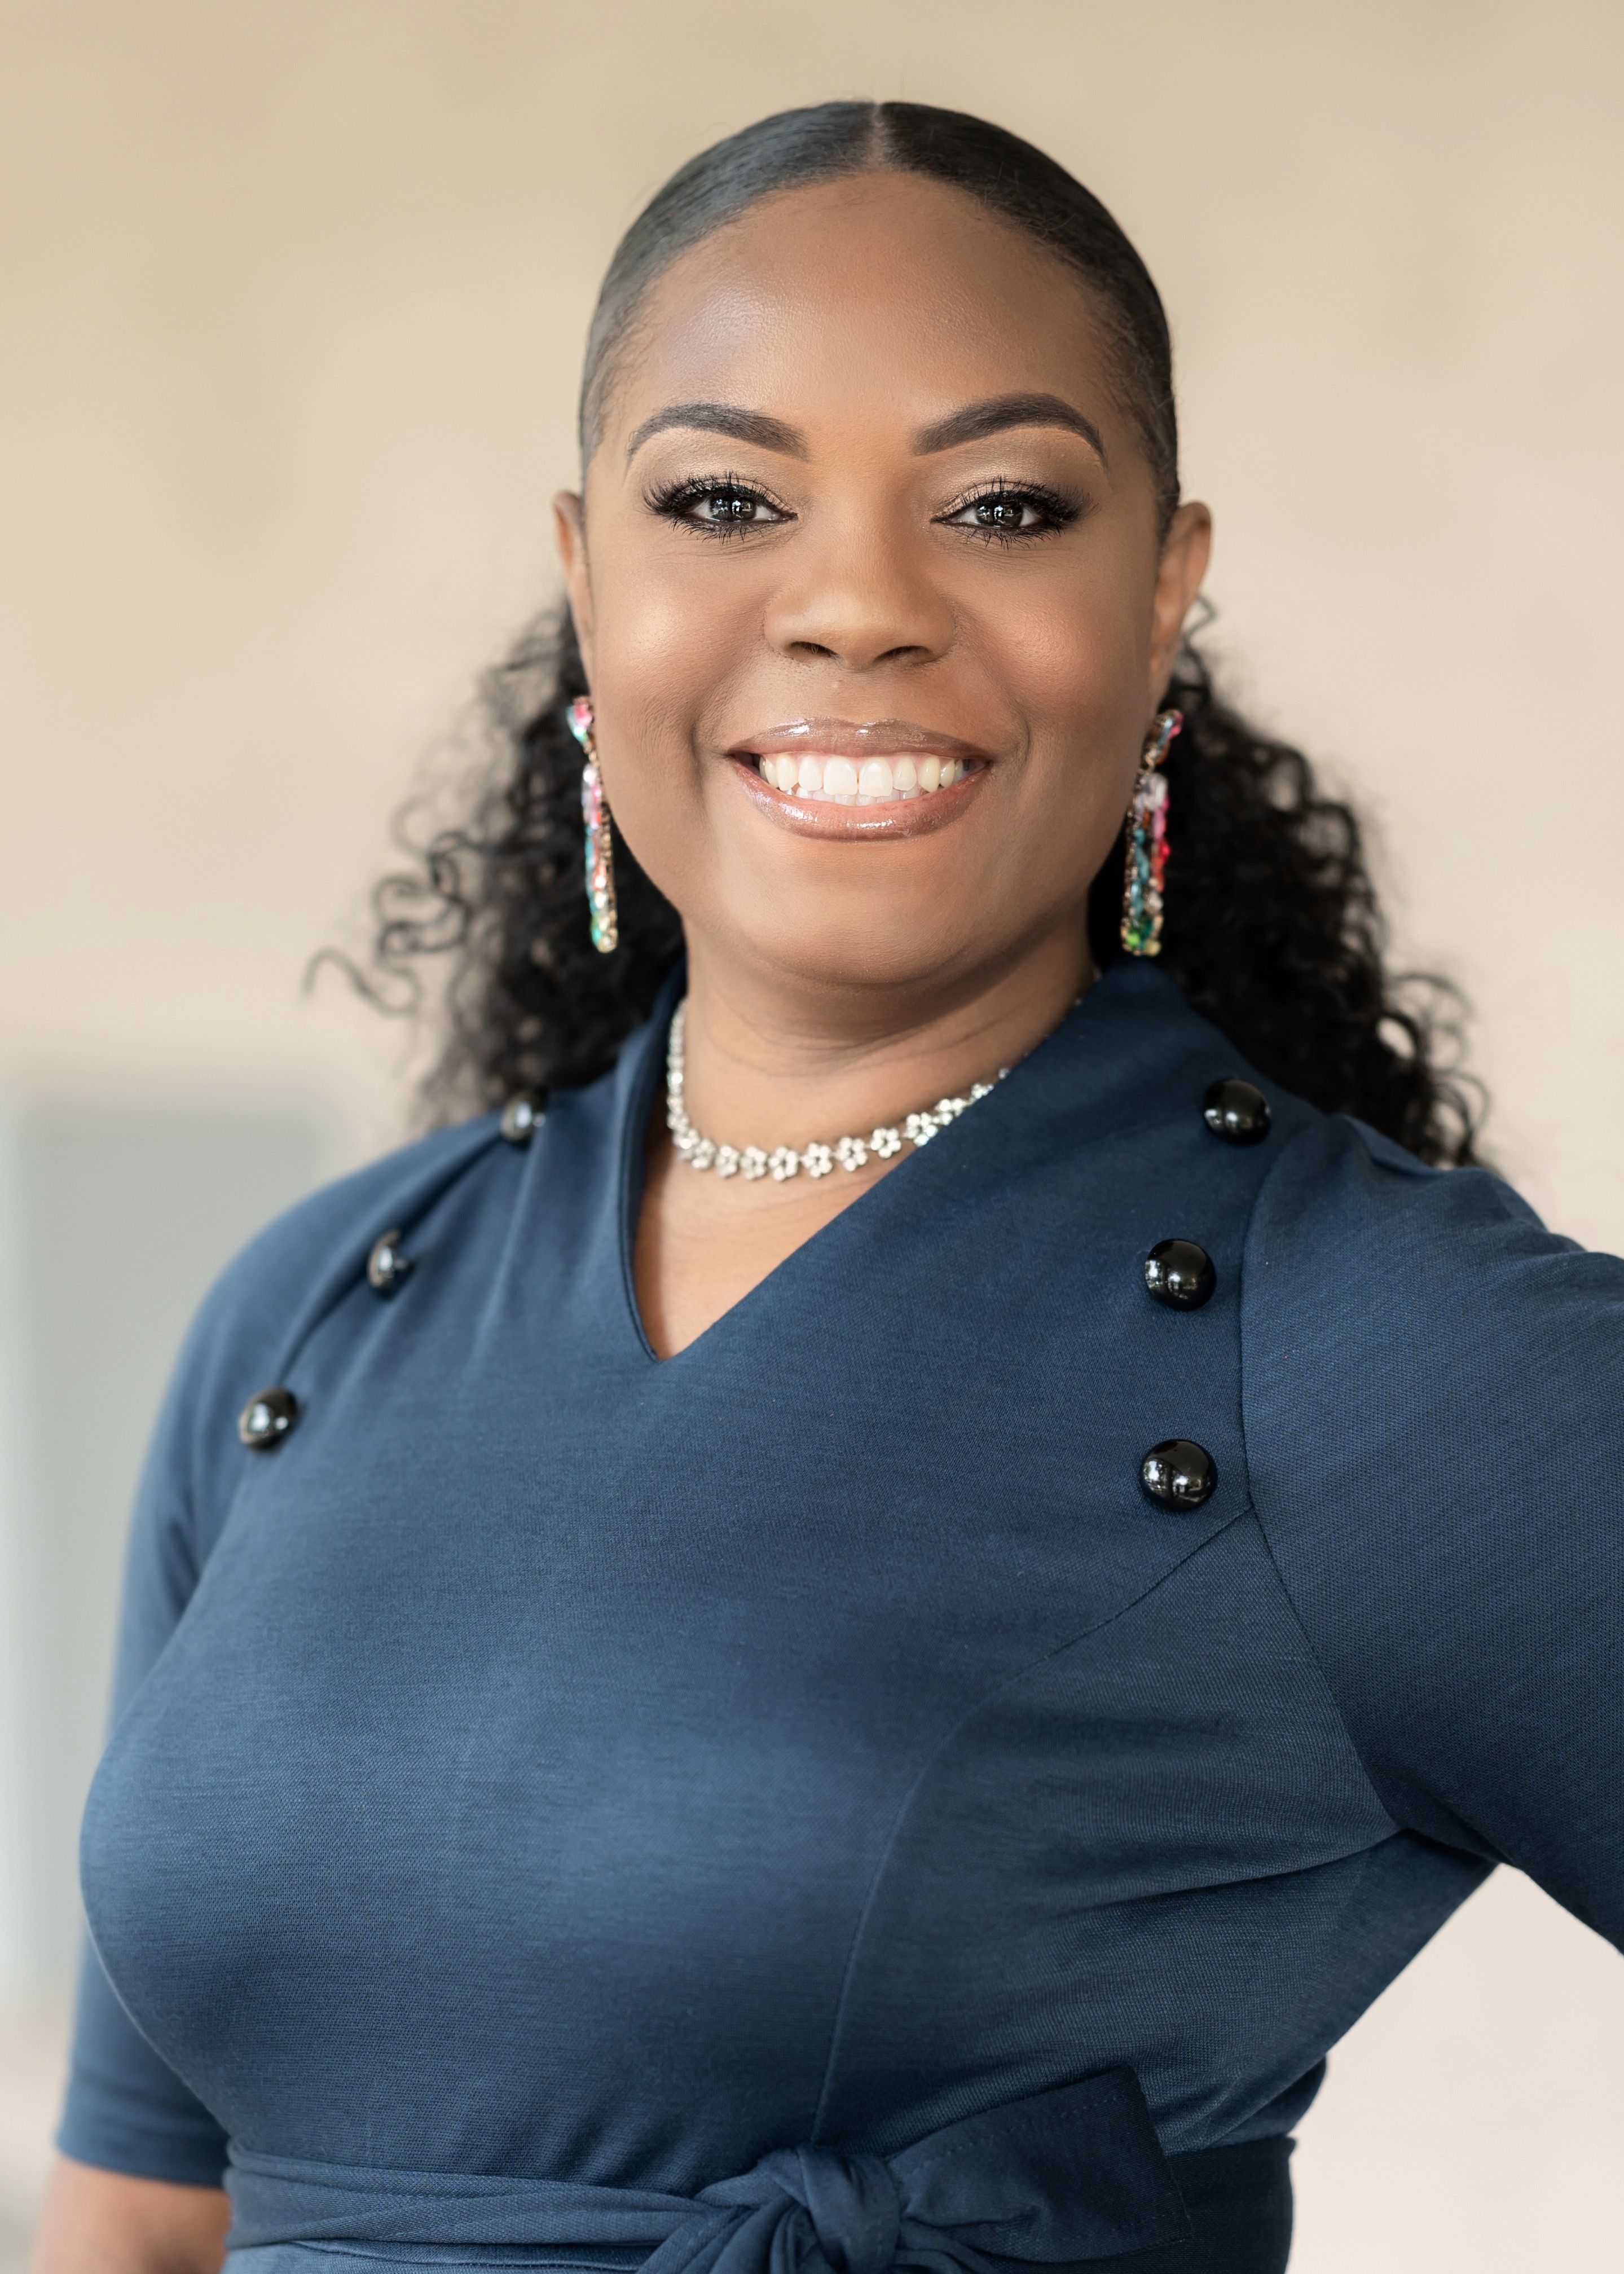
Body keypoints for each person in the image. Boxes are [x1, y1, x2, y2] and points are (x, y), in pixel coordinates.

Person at [33, 101, 1622, 2274]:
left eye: (1002, 505)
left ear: (1165, 590)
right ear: (587, 576)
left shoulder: (1368, 1352)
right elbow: (137, 2222)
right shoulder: (316, 1318)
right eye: (724, 501)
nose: (861, 604)